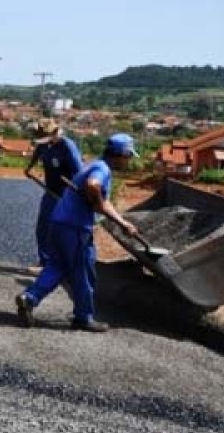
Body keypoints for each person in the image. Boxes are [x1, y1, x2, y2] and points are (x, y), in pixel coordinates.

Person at [15, 133, 139, 332]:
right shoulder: (102, 169)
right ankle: (83, 317)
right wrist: (99, 204)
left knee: (57, 266)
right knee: (83, 271)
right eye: (128, 156)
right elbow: (93, 185)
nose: (129, 160)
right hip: (75, 227)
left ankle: (29, 298)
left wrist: (122, 222)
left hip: (59, 221)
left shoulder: (92, 164)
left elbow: (101, 199)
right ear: (121, 154)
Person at [24, 118, 83, 271]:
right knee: (43, 227)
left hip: (65, 193)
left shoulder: (67, 147)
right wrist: (29, 167)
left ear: (56, 132)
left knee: (59, 228)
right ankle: (45, 262)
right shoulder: (44, 144)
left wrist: (77, 195)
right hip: (50, 191)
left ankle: (60, 265)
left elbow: (79, 172)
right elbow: (38, 152)